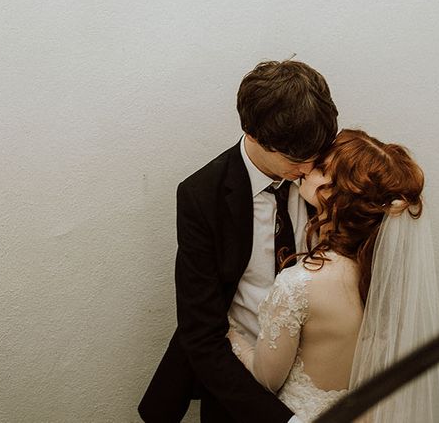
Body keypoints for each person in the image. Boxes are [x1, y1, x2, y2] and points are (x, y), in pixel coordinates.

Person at [138, 59, 339, 423]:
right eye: (297, 159)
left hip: (320, 382)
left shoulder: (325, 173)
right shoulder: (202, 196)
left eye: (317, 155)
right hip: (237, 391)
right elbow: (201, 333)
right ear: (253, 133)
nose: (311, 169)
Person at [226, 129, 439, 422]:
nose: (306, 166)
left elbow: (267, 379)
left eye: (320, 167)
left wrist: (230, 333)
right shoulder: (389, 280)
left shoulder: (299, 285)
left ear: (334, 193)